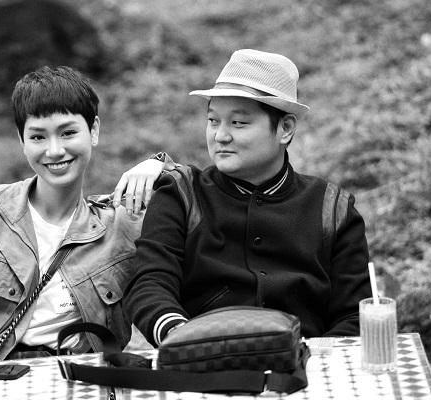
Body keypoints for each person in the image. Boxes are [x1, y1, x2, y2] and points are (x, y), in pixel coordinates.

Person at [0, 66, 172, 364]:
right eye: (38, 137)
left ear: (94, 130)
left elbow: (194, 210)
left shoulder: (118, 225)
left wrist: (160, 167)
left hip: (82, 376)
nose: (54, 150)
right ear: (22, 141)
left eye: (68, 133)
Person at [124, 49, 371, 347]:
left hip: (306, 366)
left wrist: (305, 359)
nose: (220, 136)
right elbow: (149, 283)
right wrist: (182, 337)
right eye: (213, 121)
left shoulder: (333, 209)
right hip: (202, 360)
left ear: (285, 128)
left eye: (238, 123)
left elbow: (354, 315)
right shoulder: (181, 193)